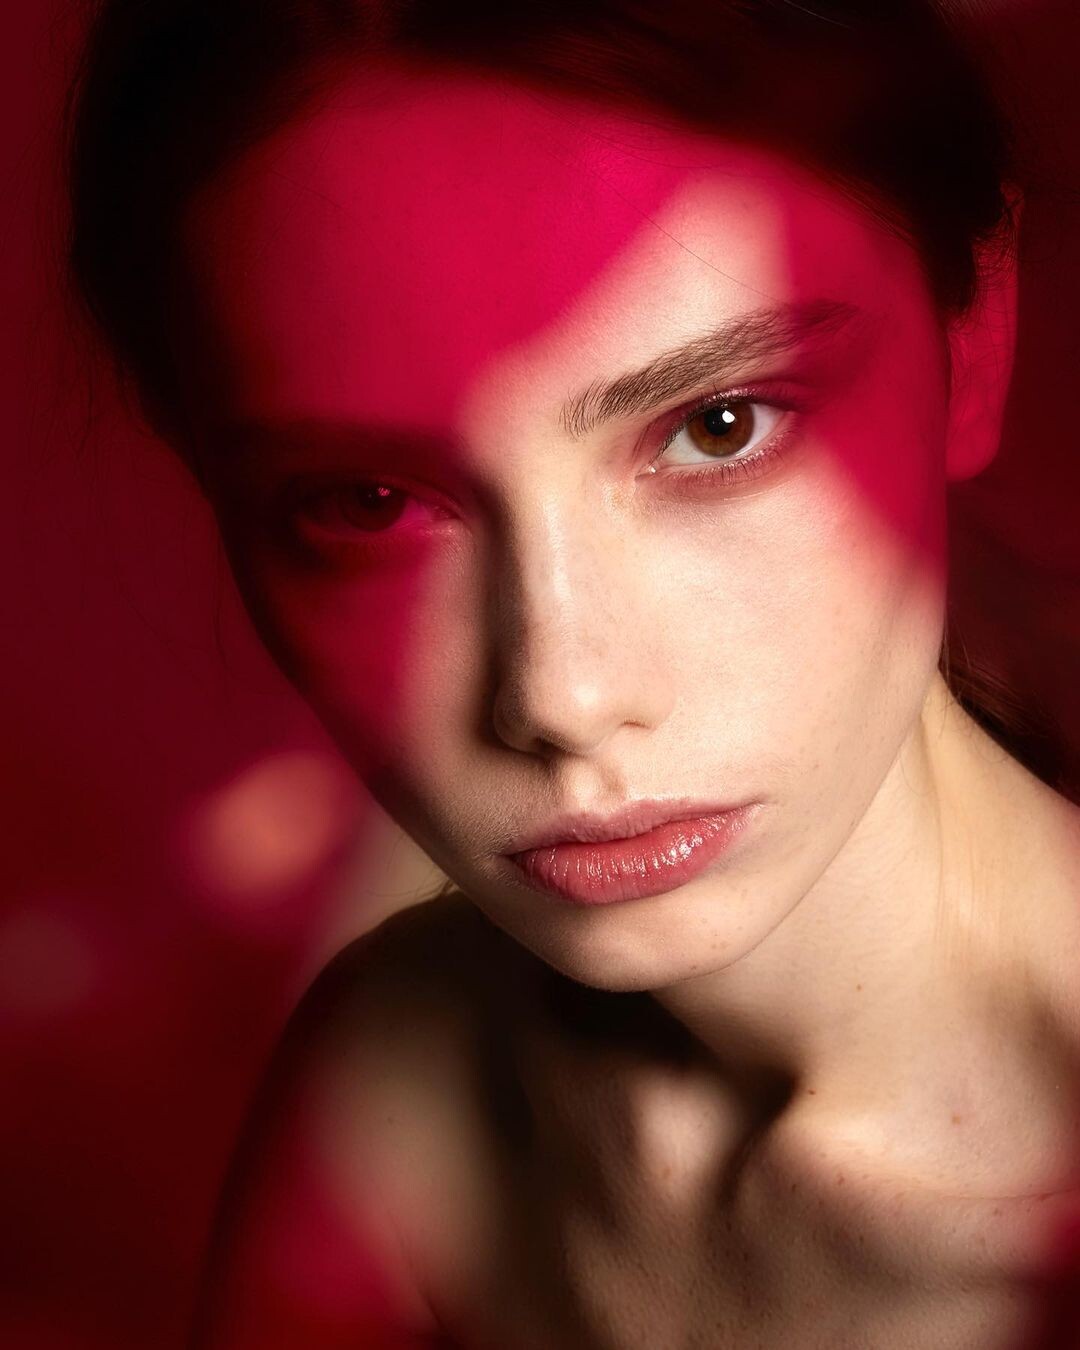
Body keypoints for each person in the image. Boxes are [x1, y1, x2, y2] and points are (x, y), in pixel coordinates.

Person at [66, 0, 1080, 1345]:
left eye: (719, 426)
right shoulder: (395, 1085)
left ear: (974, 337)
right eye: (367, 502)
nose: (561, 695)